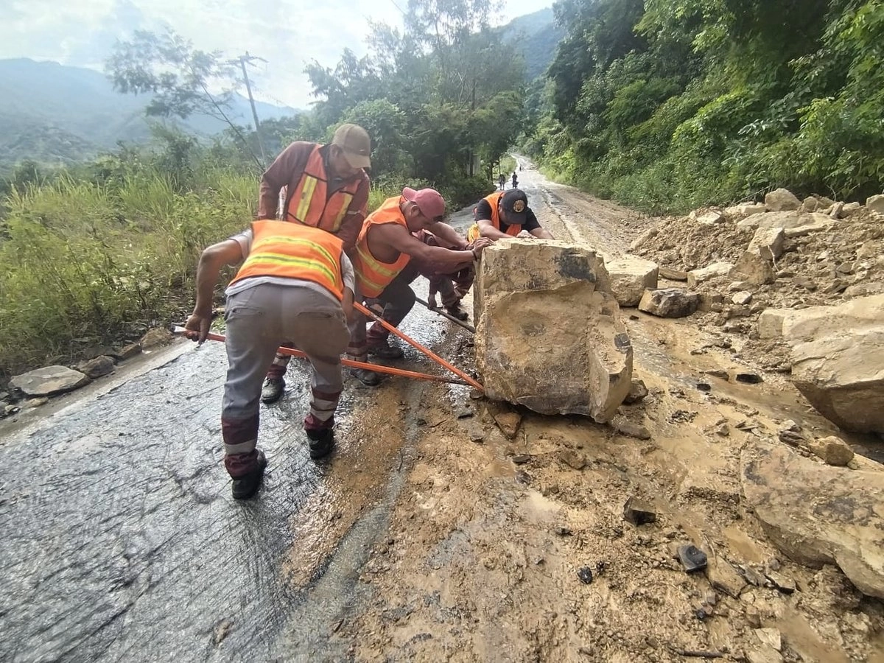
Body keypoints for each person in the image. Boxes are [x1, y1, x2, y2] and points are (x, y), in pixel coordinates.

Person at [184, 219, 356, 500]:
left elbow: (211, 256)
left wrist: (201, 311)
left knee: (241, 384)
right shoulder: (337, 249)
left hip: (250, 299)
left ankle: (242, 472)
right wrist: (323, 338)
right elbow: (346, 312)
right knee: (327, 367)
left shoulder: (262, 230)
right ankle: (318, 434)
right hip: (314, 301)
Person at [256, 123, 372, 402]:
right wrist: (266, 225)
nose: (356, 170)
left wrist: (330, 251)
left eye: (361, 164)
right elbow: (269, 182)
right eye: (351, 163)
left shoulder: (361, 182)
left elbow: (352, 224)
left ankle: (356, 360)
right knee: (283, 309)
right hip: (288, 244)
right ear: (334, 151)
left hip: (327, 251)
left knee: (349, 299)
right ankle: (274, 374)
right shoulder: (299, 154)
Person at [347, 187, 492, 370]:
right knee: (356, 323)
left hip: (383, 279)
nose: (424, 228)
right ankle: (356, 365)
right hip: (361, 283)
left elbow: (438, 227)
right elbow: (427, 253)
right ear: (414, 210)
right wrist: (471, 254)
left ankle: (375, 339)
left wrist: (465, 244)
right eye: (423, 223)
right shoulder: (388, 227)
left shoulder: (407, 205)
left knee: (405, 299)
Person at [467, 188, 555, 242]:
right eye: (510, 217)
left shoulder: (525, 211)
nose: (512, 222)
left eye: (517, 218)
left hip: (508, 242)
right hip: (479, 240)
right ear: (500, 207)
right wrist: (515, 240)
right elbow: (485, 230)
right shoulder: (486, 204)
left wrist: (556, 245)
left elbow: (540, 232)